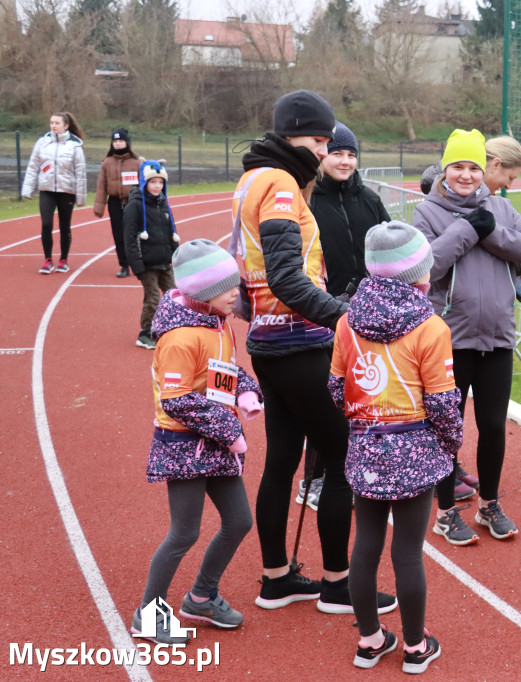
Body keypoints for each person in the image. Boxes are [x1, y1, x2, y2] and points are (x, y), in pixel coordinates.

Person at [230, 89, 395, 615]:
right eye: (318, 139)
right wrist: (343, 315)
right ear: (291, 134)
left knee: (281, 460)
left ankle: (276, 578)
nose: (324, 151)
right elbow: (284, 276)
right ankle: (337, 584)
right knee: (343, 459)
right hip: (299, 342)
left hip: (269, 341)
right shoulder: (279, 185)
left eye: (328, 141)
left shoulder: (253, 177)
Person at [329, 221, 462, 674]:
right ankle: (415, 647)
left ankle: (369, 640)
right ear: (421, 275)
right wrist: (451, 442)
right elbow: (444, 401)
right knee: (407, 551)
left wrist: (363, 421)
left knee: (365, 545)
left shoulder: (347, 321)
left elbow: (336, 386)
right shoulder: (431, 326)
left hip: (366, 445)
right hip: (415, 445)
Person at [414, 128, 521, 545]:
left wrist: (492, 231)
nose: (467, 175)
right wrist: (469, 230)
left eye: (474, 167)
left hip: (497, 340)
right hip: (447, 342)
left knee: (492, 426)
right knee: (447, 428)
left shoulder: (501, 210)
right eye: (458, 166)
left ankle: (489, 504)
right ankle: (446, 512)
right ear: (445, 168)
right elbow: (427, 268)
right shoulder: (427, 213)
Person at [129, 239, 261, 645]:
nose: (236, 294)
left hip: (214, 440)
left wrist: (244, 388)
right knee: (184, 532)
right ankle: (147, 615)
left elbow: (221, 370)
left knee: (239, 520)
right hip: (183, 444)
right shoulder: (181, 337)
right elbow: (177, 399)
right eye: (228, 288)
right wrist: (230, 430)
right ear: (204, 293)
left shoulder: (216, 322)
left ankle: (202, 596)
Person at [295, 120, 392, 513]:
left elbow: (389, 244)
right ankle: (313, 480)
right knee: (327, 399)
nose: (345, 160)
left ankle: (359, 470)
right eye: (337, 152)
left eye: (351, 154)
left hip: (368, 310)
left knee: (367, 393)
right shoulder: (308, 199)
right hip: (326, 311)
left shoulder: (369, 199)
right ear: (322, 156)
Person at [21, 111, 87, 274]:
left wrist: (81, 196)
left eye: (57, 123)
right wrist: (27, 189)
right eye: (51, 123)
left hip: (67, 191)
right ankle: (47, 260)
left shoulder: (75, 146)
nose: (53, 126)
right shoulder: (42, 143)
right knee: (46, 224)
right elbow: (33, 166)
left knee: (65, 226)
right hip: (47, 190)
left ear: (66, 126)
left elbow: (80, 172)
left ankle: (63, 260)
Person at [124, 160, 180, 350]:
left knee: (175, 295)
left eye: (160, 182)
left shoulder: (163, 203)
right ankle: (145, 333)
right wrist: (137, 265)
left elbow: (171, 230)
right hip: (147, 264)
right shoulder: (135, 205)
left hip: (164, 261)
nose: (157, 186)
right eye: (153, 182)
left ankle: (169, 328)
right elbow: (129, 238)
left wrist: (175, 254)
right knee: (153, 298)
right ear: (144, 182)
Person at [94, 128, 141, 278]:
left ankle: (139, 263)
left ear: (127, 142)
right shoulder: (107, 163)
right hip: (114, 203)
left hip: (132, 203)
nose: (118, 144)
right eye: (115, 141)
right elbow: (101, 185)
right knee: (118, 235)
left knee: (134, 234)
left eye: (121, 141)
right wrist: (99, 207)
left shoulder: (137, 162)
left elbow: (143, 185)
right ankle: (124, 265)